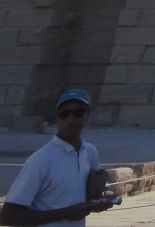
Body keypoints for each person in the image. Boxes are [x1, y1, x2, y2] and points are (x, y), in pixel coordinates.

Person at [0, 90, 114, 227]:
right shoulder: (41, 160)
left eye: (78, 113)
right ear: (56, 119)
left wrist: (97, 203)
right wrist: (65, 214)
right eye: (64, 114)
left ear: (87, 115)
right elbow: (7, 216)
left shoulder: (89, 152)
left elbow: (82, 198)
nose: (70, 119)